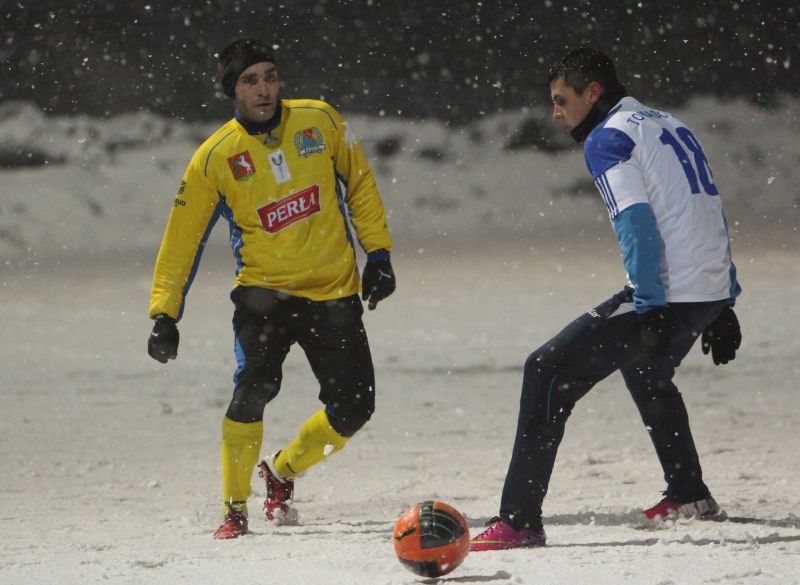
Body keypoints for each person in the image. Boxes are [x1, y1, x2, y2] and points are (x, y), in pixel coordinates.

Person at [470, 47, 742, 551]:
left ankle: (519, 520)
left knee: (545, 370)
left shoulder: (607, 138)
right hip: (704, 290)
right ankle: (688, 493)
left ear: (592, 93)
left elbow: (636, 221)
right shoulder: (669, 124)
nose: (555, 112)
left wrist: (650, 305)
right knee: (645, 369)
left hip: (673, 293)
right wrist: (725, 299)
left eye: (561, 99)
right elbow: (706, 207)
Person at [147, 39, 396, 540]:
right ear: (231, 90)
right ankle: (234, 509)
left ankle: (282, 470)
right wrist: (165, 314)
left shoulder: (320, 121)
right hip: (264, 296)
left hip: (332, 292)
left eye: (270, 76)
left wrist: (380, 254)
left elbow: (361, 182)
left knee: (354, 409)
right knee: (252, 390)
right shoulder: (214, 158)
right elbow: (183, 239)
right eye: (249, 80)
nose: (263, 89)